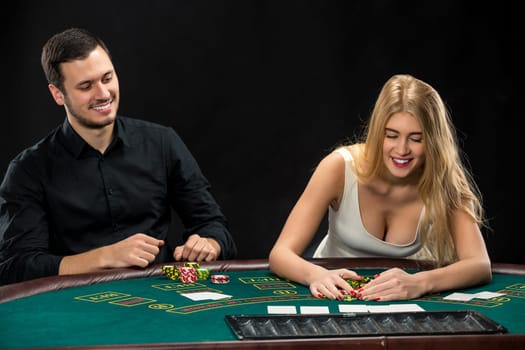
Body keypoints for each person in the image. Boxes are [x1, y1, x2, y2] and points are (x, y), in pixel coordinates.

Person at [0, 27, 237, 285]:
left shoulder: (162, 142)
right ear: (58, 94)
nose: (102, 94)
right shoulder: (28, 169)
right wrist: (105, 256)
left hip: (162, 294)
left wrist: (209, 243)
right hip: (74, 305)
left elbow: (213, 225)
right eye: (85, 86)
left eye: (107, 78)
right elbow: (15, 267)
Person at [268, 74, 492, 302]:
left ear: (433, 141)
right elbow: (280, 254)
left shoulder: (444, 177)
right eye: (391, 135)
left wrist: (419, 283)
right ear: (377, 133)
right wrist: (315, 275)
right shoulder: (338, 167)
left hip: (407, 295)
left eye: (416, 139)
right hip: (337, 293)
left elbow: (479, 264)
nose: (402, 149)